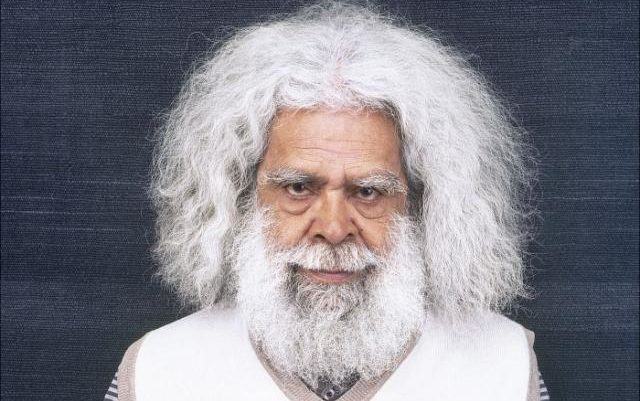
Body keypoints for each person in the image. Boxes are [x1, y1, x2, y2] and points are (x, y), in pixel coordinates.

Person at [105, 2, 550, 400]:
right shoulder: (159, 373)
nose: (334, 229)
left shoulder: (503, 368)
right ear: (242, 195)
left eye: (369, 192)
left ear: (421, 203)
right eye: (298, 188)